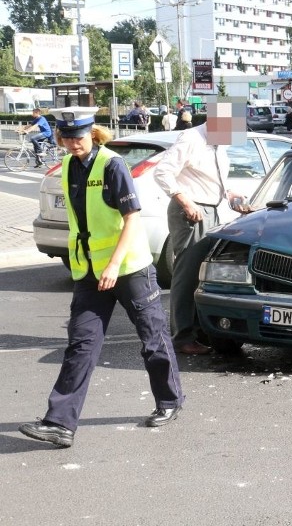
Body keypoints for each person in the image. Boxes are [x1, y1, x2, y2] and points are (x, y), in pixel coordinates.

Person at [18, 107, 184, 448]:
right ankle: (60, 423)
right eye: (66, 138)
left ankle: (169, 401)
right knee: (81, 344)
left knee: (152, 338)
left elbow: (132, 219)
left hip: (129, 269)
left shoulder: (112, 164)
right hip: (90, 271)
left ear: (91, 134)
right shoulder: (66, 165)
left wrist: (113, 265)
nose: (72, 143)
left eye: (78, 137)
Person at [153, 99, 249, 355]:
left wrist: (230, 195)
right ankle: (182, 337)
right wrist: (185, 201)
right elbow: (162, 172)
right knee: (187, 276)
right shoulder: (191, 138)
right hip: (192, 213)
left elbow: (209, 179)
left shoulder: (218, 143)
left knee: (202, 275)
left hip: (211, 210)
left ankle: (198, 330)